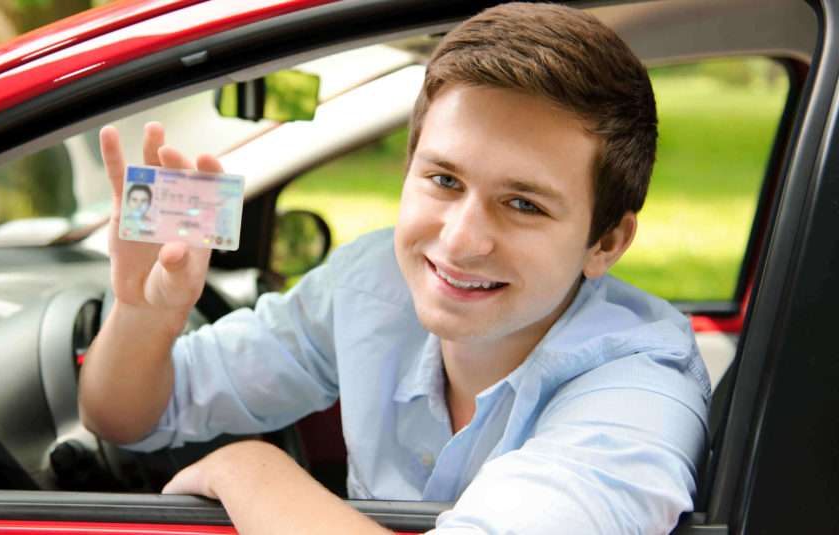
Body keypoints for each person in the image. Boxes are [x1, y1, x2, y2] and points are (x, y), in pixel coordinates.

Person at [78, 3, 711, 534]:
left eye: (523, 204)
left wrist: (246, 468)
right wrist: (145, 312)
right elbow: (126, 417)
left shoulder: (640, 391)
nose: (461, 241)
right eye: (443, 179)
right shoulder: (368, 283)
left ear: (606, 241)